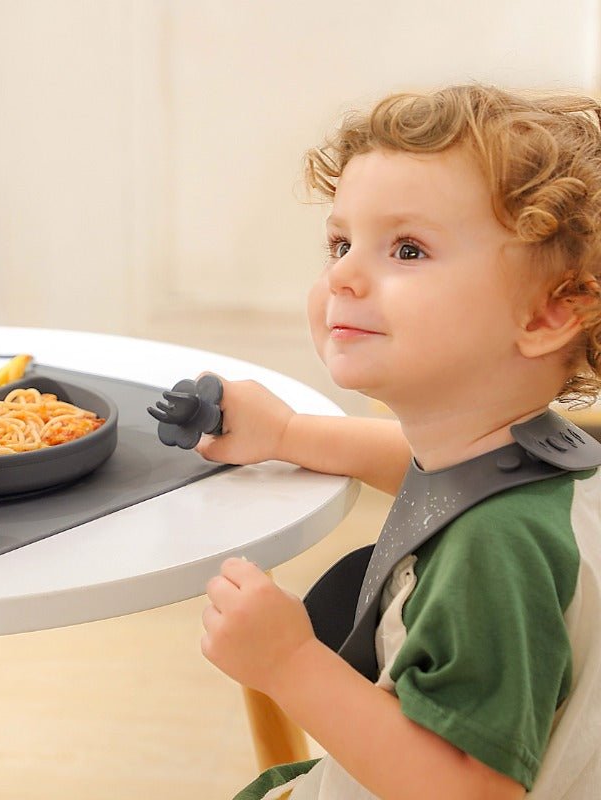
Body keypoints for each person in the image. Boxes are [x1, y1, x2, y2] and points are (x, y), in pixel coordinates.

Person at [196, 84, 601, 800]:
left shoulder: (493, 551)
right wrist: (286, 433)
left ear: (547, 316)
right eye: (341, 244)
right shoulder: (543, 464)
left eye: (407, 249)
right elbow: (430, 475)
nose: (342, 275)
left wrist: (288, 662)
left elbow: (474, 793)